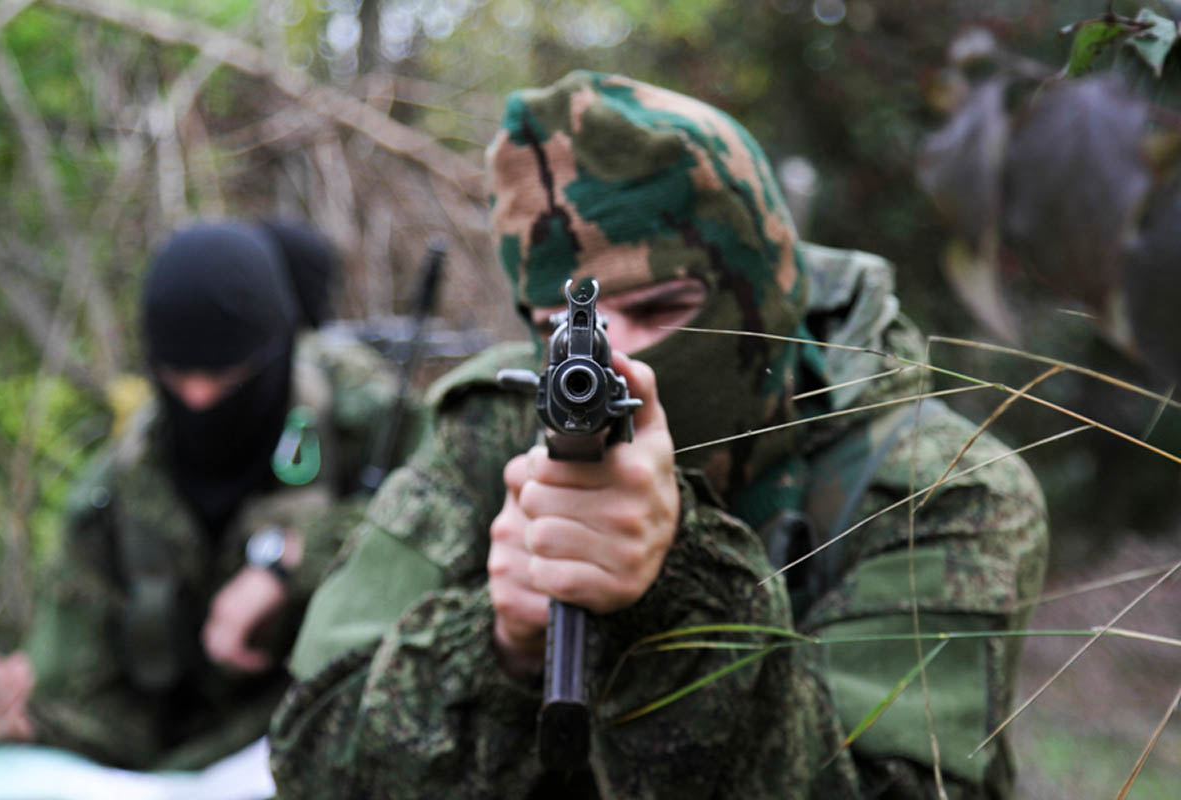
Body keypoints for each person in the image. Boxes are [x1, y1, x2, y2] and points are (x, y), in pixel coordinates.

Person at [268, 71, 1048, 799]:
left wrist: (679, 599)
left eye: (659, 309)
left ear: (766, 290)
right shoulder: (491, 426)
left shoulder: (934, 486)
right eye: (561, 327)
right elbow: (311, 754)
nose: (617, 361)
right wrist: (499, 645)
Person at [0, 219, 424, 770]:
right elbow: (108, 713)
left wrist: (291, 562)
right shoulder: (114, 498)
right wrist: (33, 723)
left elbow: (444, 532)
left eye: (228, 377)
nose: (198, 398)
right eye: (177, 375)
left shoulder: (369, 425)